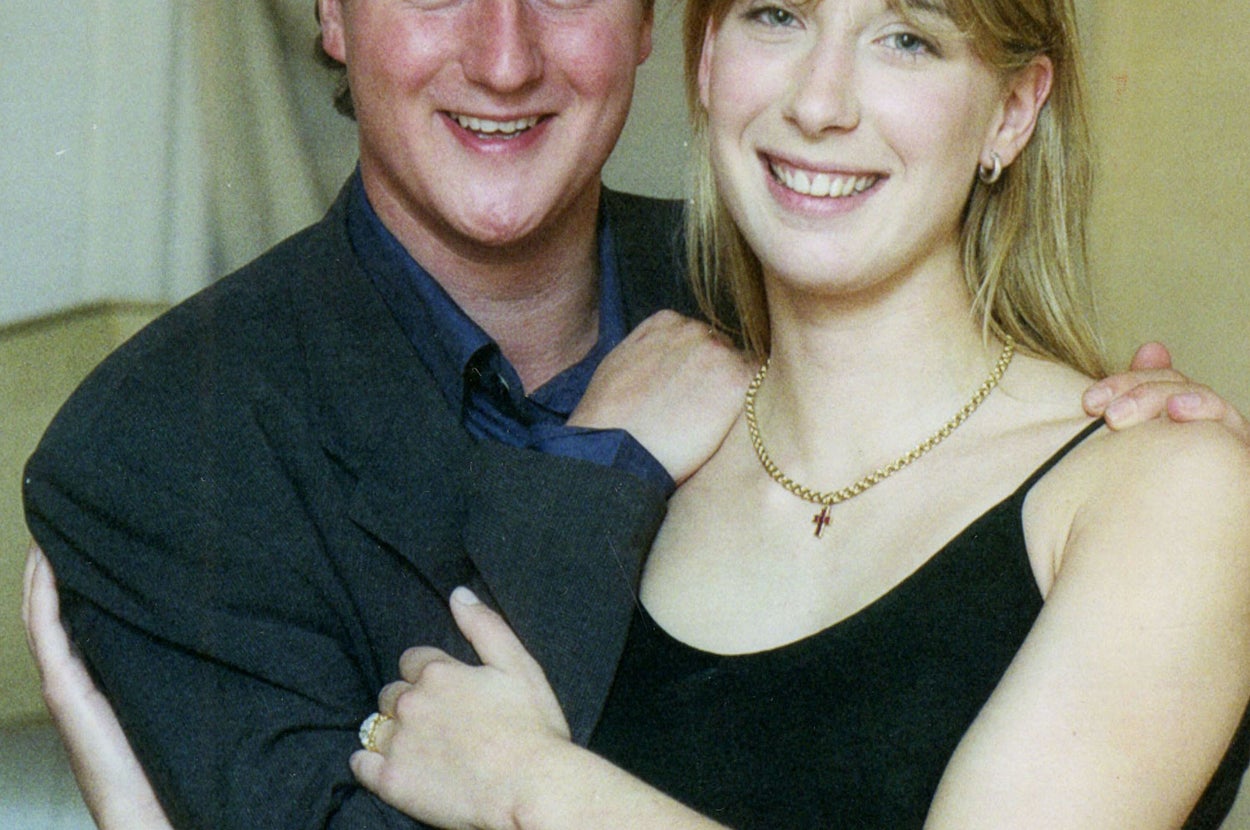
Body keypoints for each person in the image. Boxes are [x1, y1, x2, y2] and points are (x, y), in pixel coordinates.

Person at [19, 0, 1247, 829]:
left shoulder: (1135, 477)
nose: (504, 59)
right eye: (777, 15)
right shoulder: (157, 447)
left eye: (905, 36)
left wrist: (535, 785)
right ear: (711, 62)